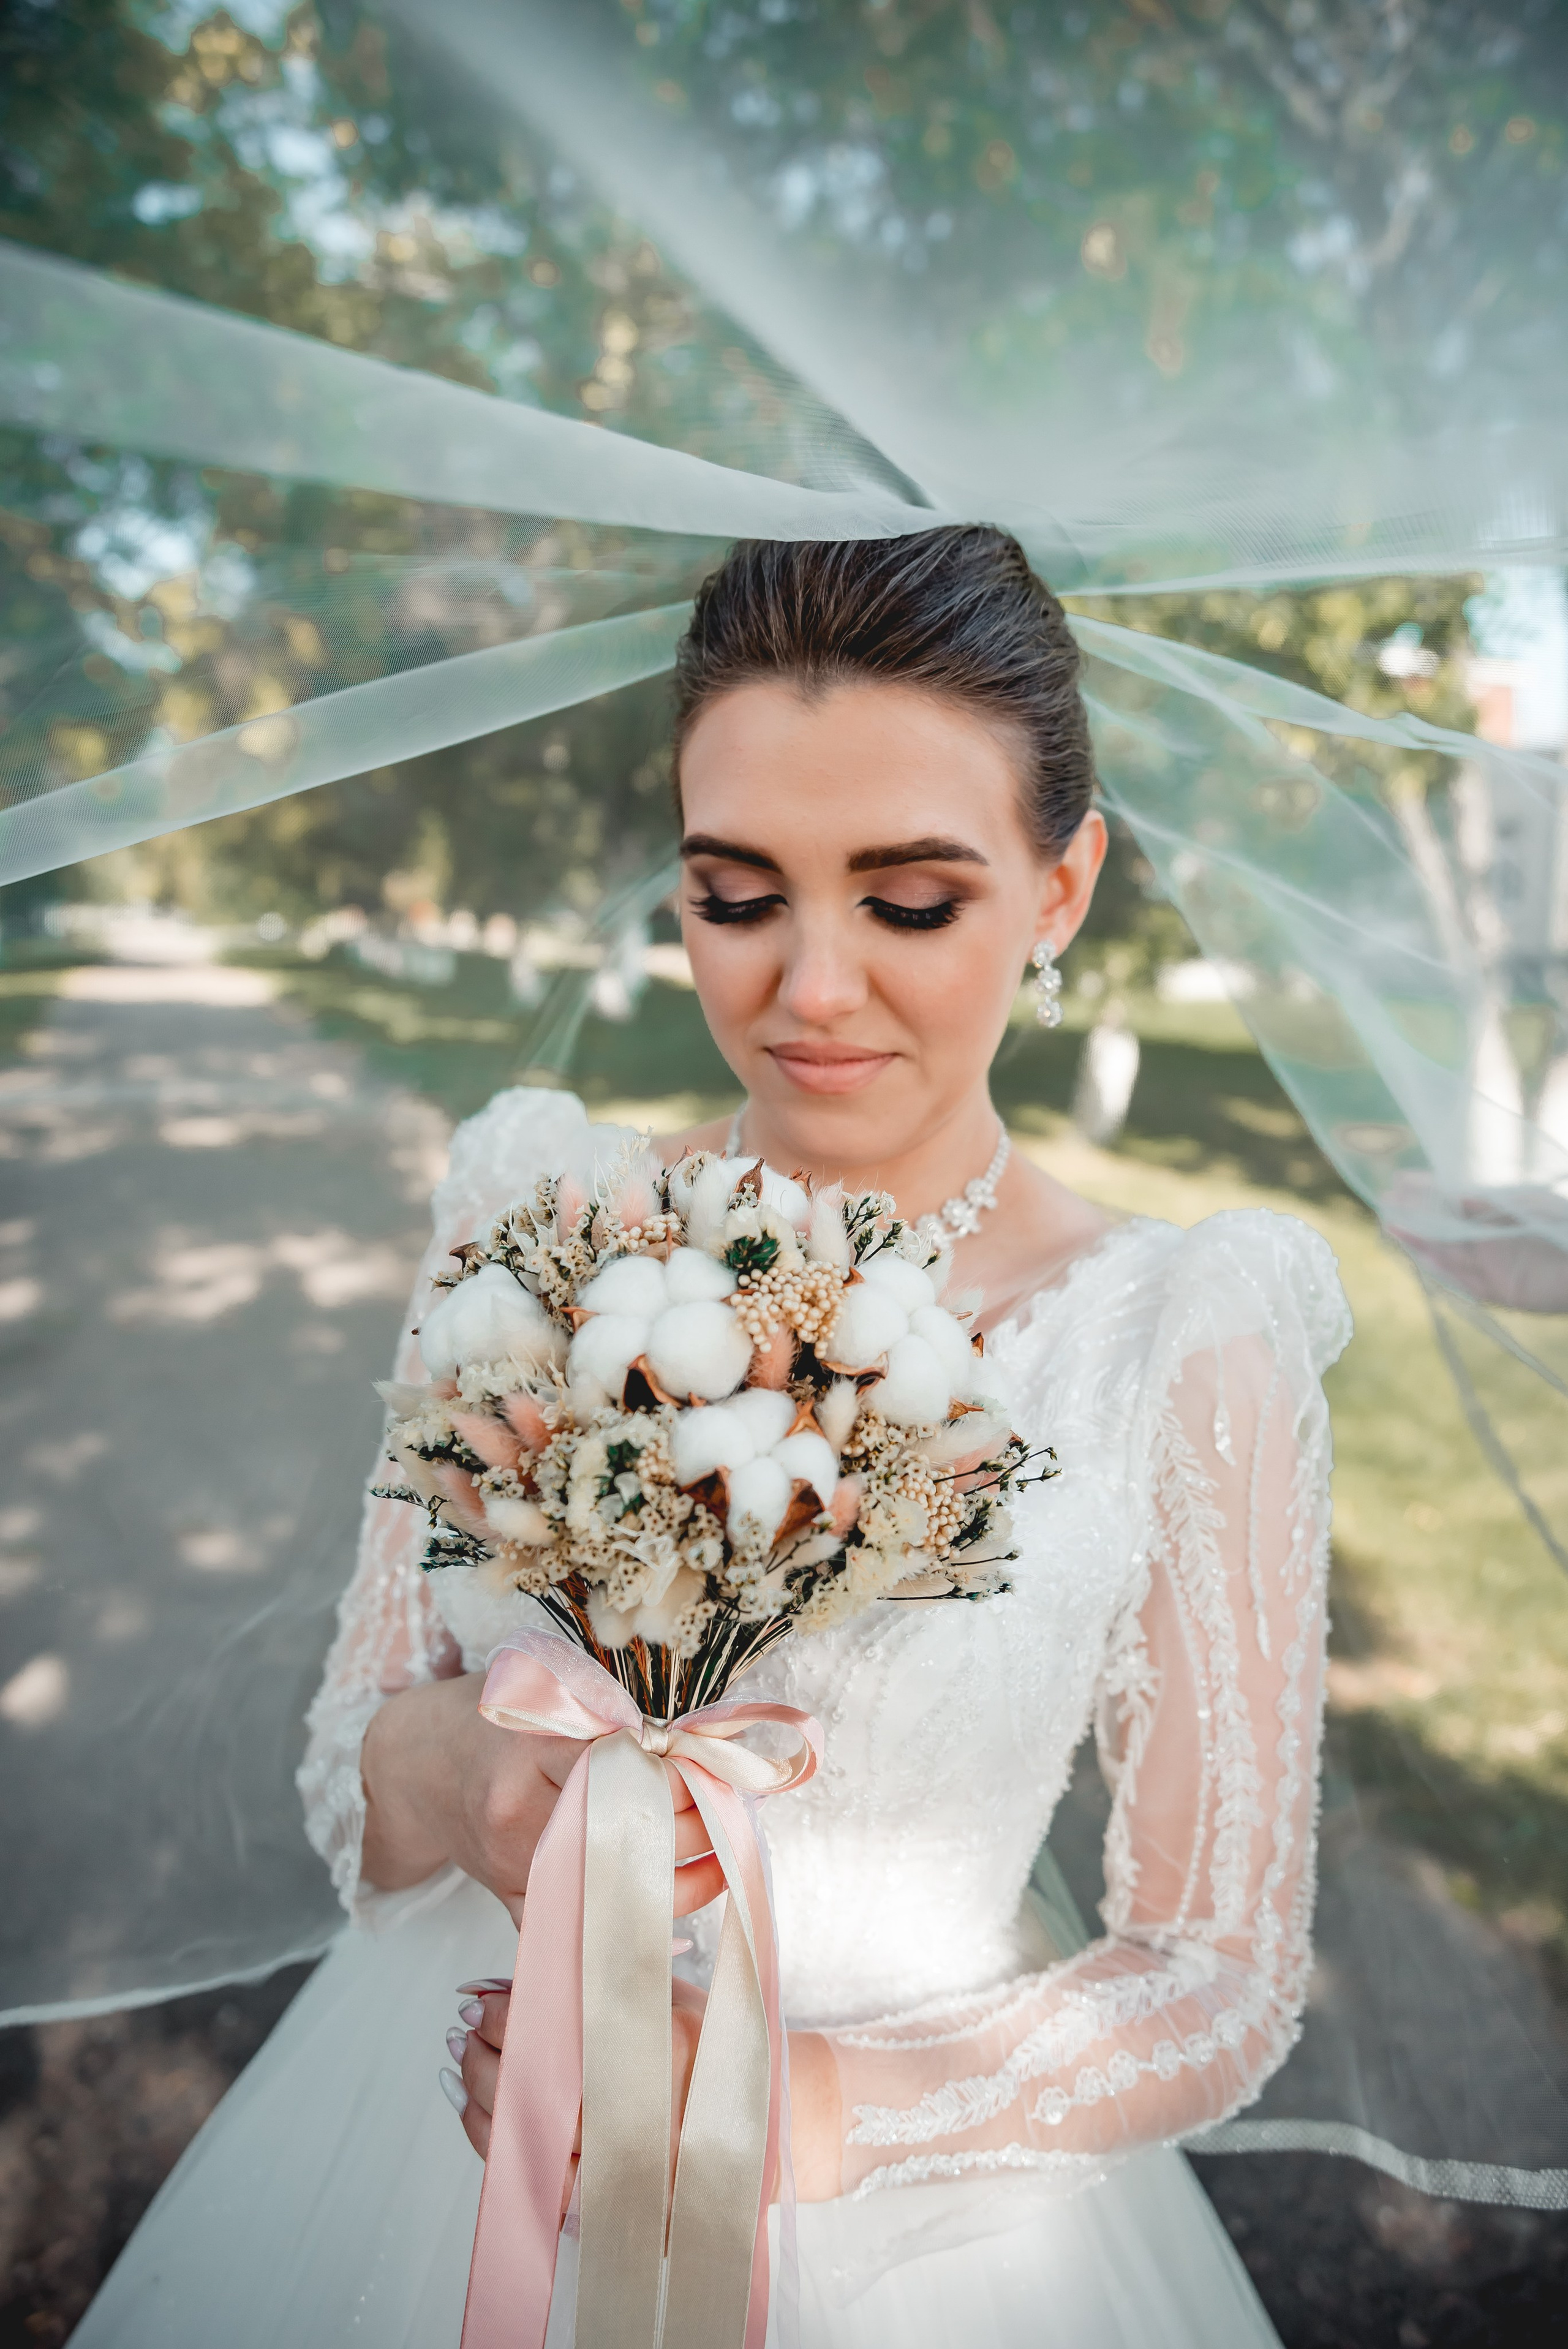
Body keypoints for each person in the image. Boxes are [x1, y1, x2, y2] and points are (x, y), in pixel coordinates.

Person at [74, 527, 1350, 2347]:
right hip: (422, 2139)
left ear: (1062, 891)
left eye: (910, 901)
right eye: (737, 894)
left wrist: (777, 2108)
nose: (810, 989)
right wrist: (460, 1772)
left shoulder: (1173, 1336)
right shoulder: (531, 1210)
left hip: (915, 2226)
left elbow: (1215, 1973)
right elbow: (350, 1754)